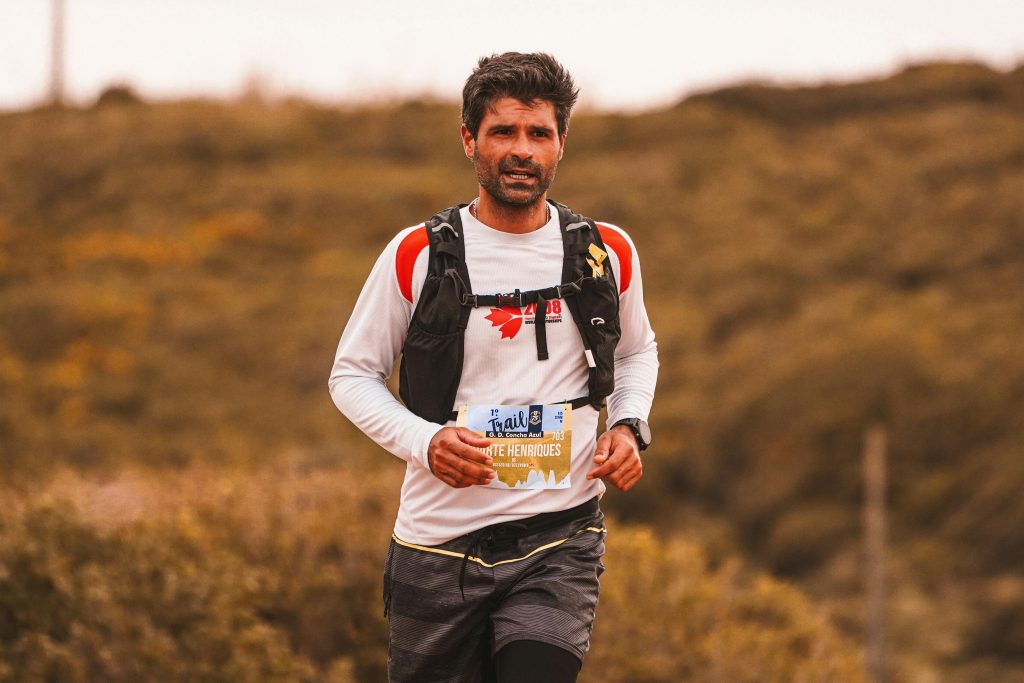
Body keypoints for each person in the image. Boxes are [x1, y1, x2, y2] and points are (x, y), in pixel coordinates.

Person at [329, 52, 657, 683]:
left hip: (560, 539)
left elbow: (637, 351)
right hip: (437, 546)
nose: (522, 151)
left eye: (539, 133)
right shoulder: (417, 254)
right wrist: (426, 442)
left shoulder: (605, 252)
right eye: (503, 131)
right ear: (468, 139)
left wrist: (627, 425)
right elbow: (351, 375)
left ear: (562, 142)